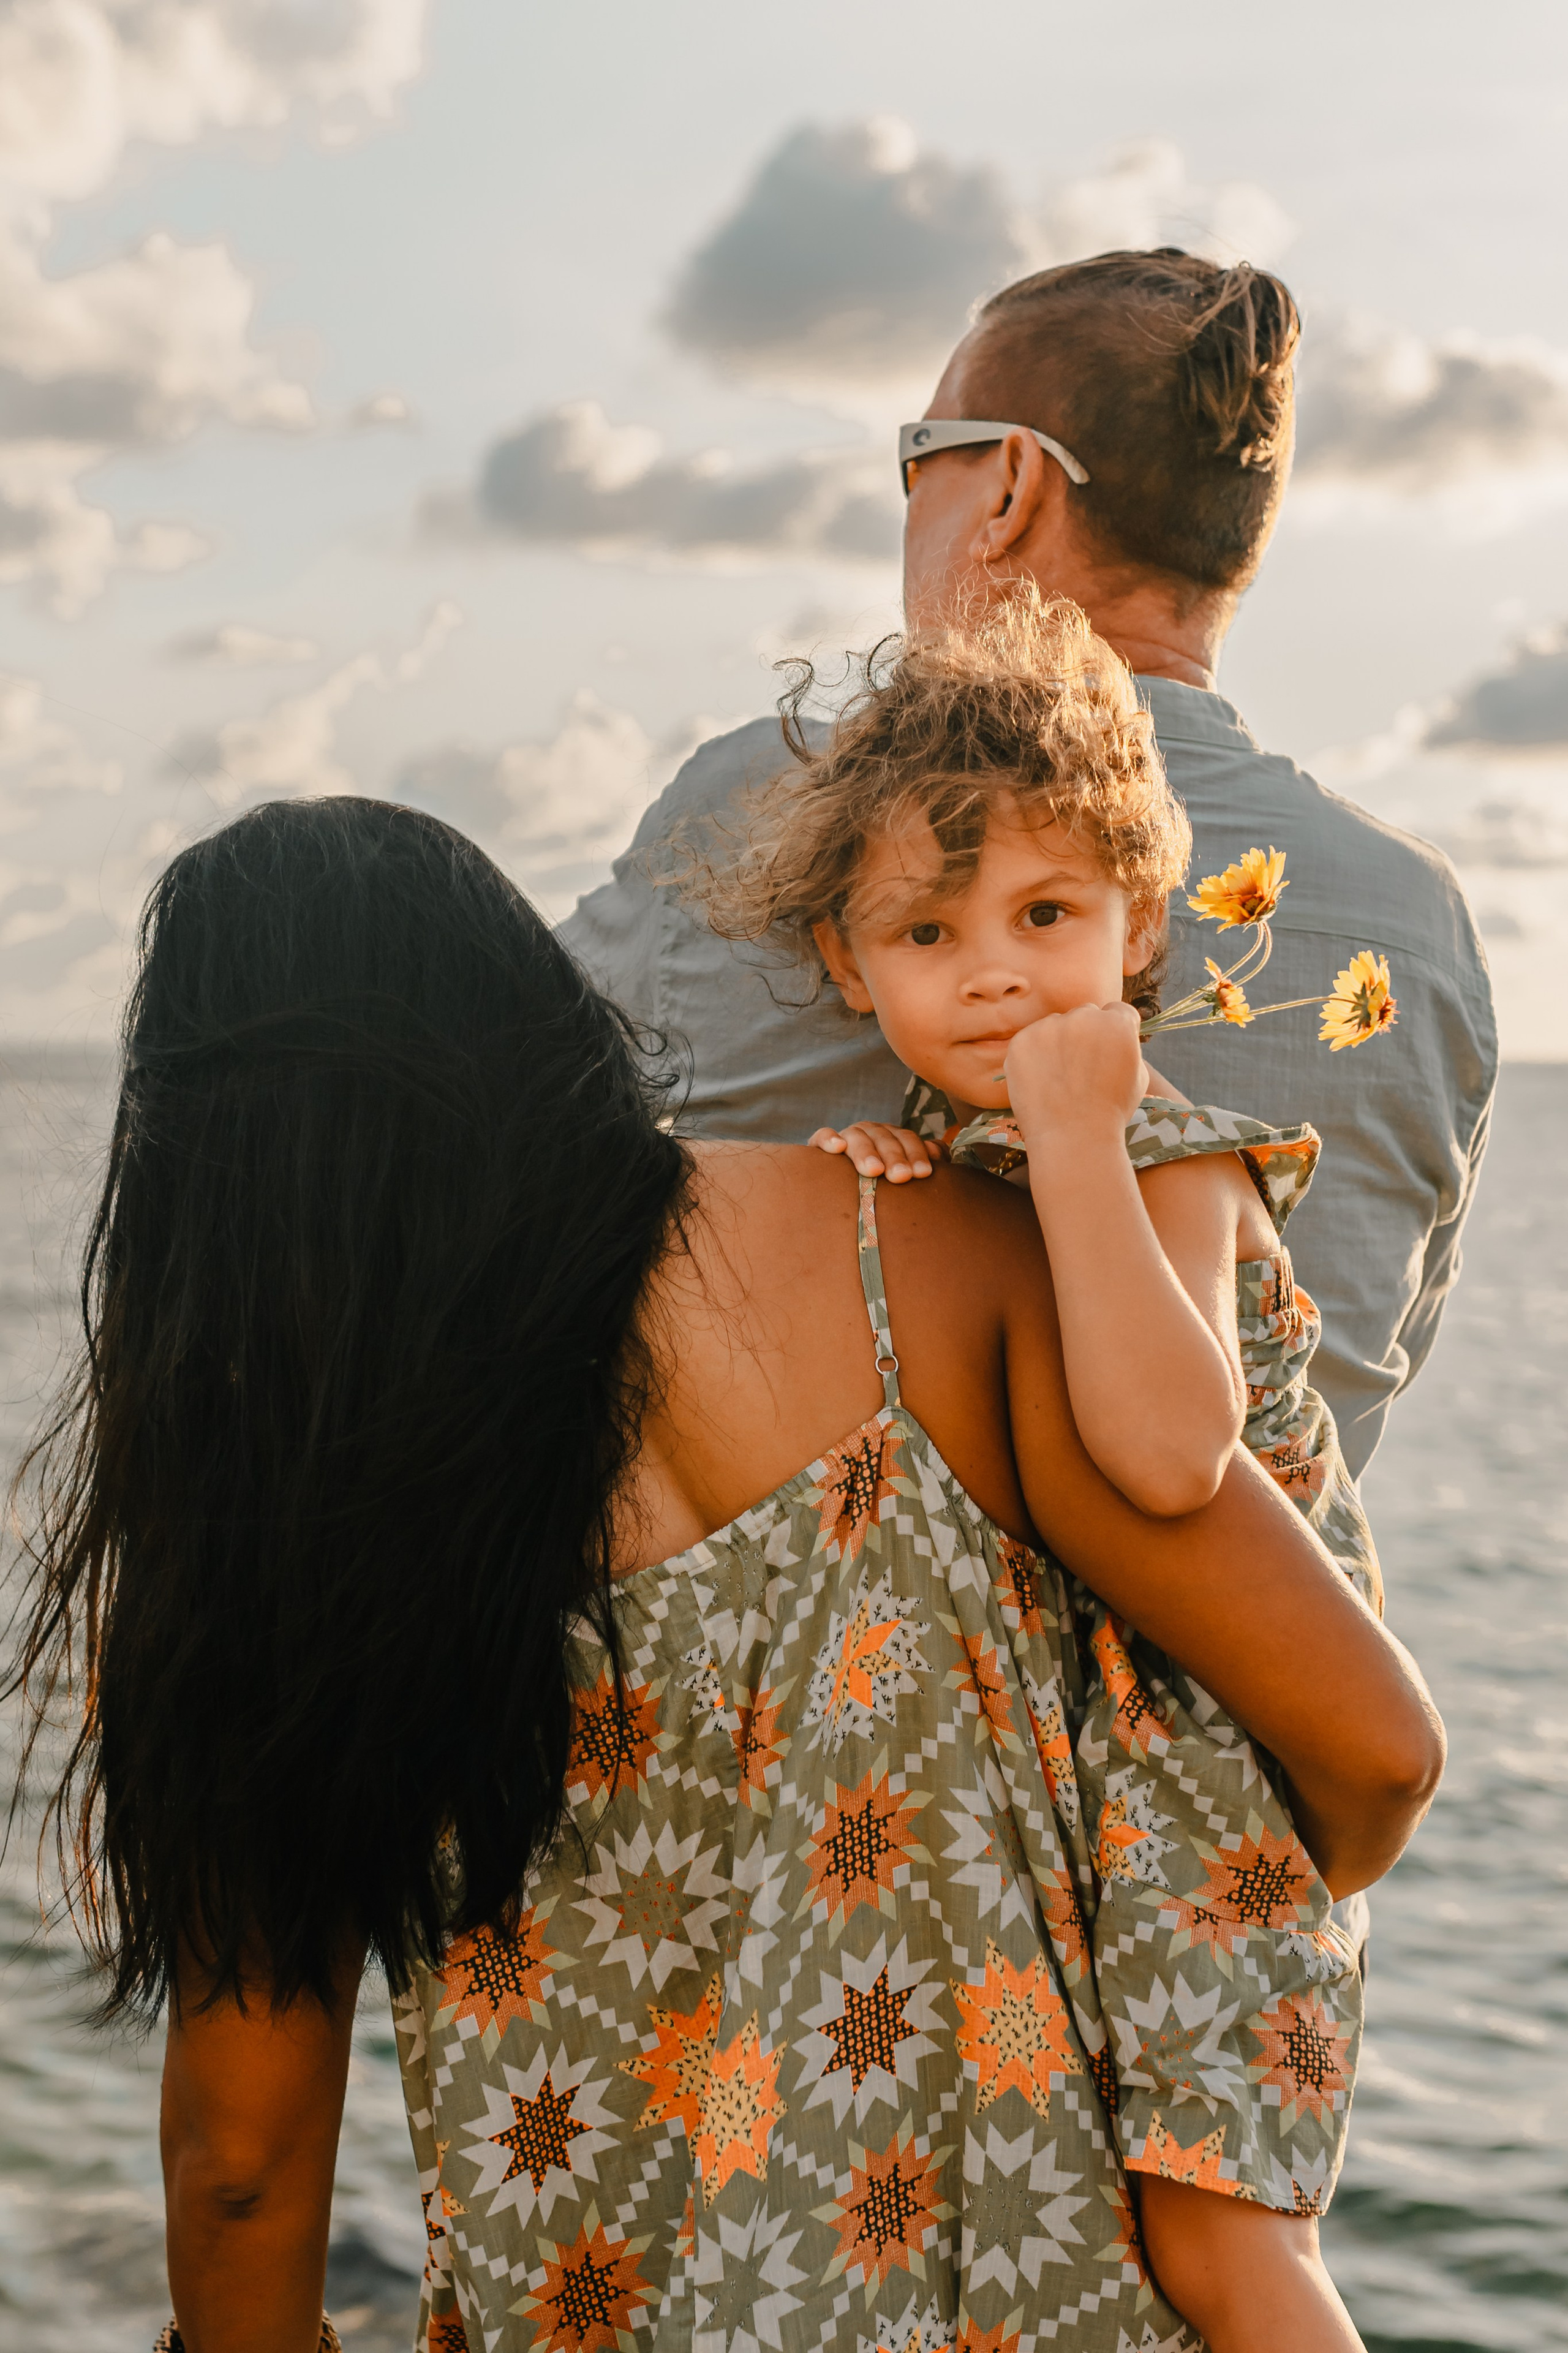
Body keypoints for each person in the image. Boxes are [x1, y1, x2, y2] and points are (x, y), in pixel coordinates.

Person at [6, 799, 1442, 2353]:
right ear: (534, 1019)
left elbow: (240, 2172)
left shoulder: (260, 1537)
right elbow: (1371, 1748)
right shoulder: (915, 1248)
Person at [560, 247, 1497, 1485]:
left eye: (919, 456)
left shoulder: (769, 800)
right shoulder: (1420, 925)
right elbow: (1366, 1373)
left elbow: (505, 1127)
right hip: (1254, 1609)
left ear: (1010, 484)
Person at [687, 591, 1381, 1606]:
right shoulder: (962, 1128)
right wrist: (908, 1189)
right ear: (846, 961)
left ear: (1137, 923)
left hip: (1245, 1665)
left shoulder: (1170, 1156)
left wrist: (1080, 1144)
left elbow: (1176, 1461)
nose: (993, 975)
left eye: (1045, 913)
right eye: (928, 932)